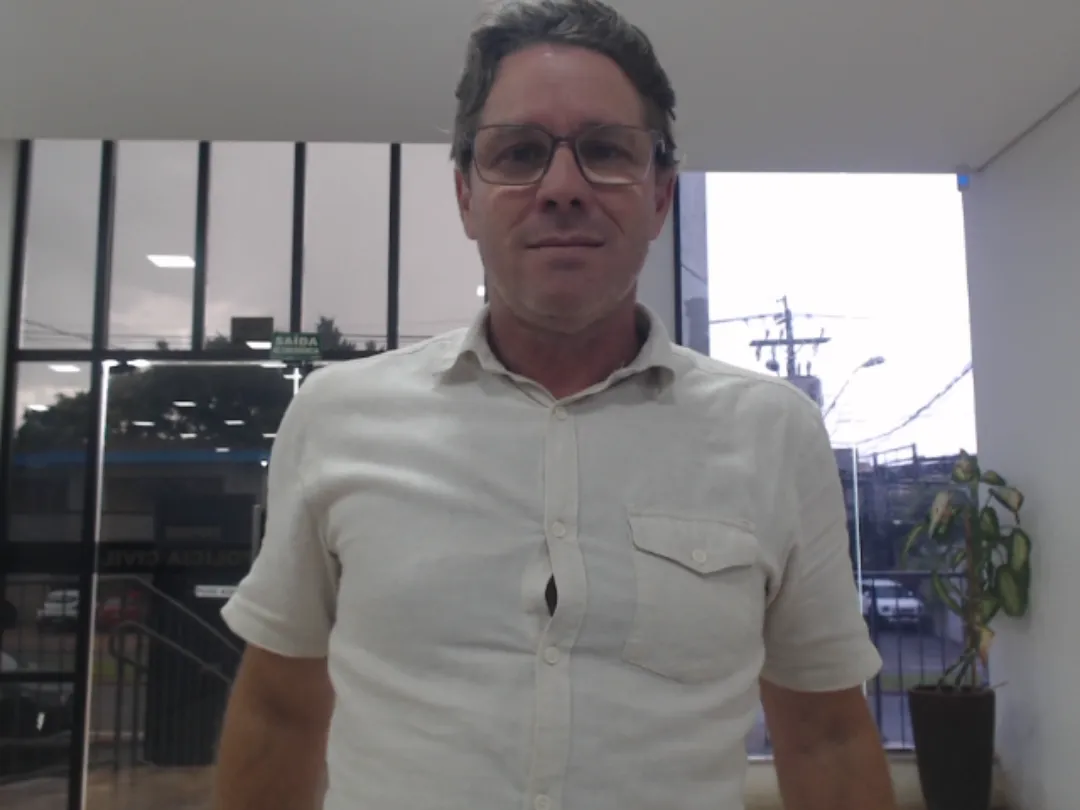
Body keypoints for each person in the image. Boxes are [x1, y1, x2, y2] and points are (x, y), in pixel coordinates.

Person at [212, 1, 897, 808]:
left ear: (661, 195)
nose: (563, 189)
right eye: (520, 153)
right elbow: (279, 713)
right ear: (465, 195)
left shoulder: (772, 433)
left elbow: (826, 737)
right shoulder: (337, 417)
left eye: (605, 150)